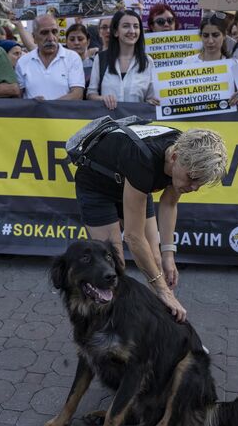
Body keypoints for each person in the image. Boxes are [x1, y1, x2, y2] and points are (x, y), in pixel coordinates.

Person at [72, 124, 228, 322]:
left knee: (155, 258)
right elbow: (133, 236)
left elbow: (169, 204)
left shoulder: (185, 151)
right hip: (97, 187)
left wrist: (168, 254)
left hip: (133, 182)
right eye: (192, 178)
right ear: (174, 157)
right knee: (112, 263)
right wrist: (164, 291)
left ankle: (161, 321)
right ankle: (109, 325)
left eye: (200, 182)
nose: (194, 187)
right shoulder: (144, 160)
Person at [87, 10, 157, 110]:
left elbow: (152, 97)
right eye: (126, 26)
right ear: (115, 32)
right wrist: (102, 98)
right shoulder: (101, 58)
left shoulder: (147, 61)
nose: (132, 31)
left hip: (137, 124)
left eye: (136, 26)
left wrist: (151, 102)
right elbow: (91, 94)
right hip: (108, 123)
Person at [15, 14, 84, 100]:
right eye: (44, 33)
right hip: (33, 113)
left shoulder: (72, 58)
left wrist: (48, 107)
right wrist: (32, 104)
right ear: (34, 37)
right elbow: (18, 97)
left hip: (63, 113)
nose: (51, 38)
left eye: (54, 32)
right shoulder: (23, 62)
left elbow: (77, 94)